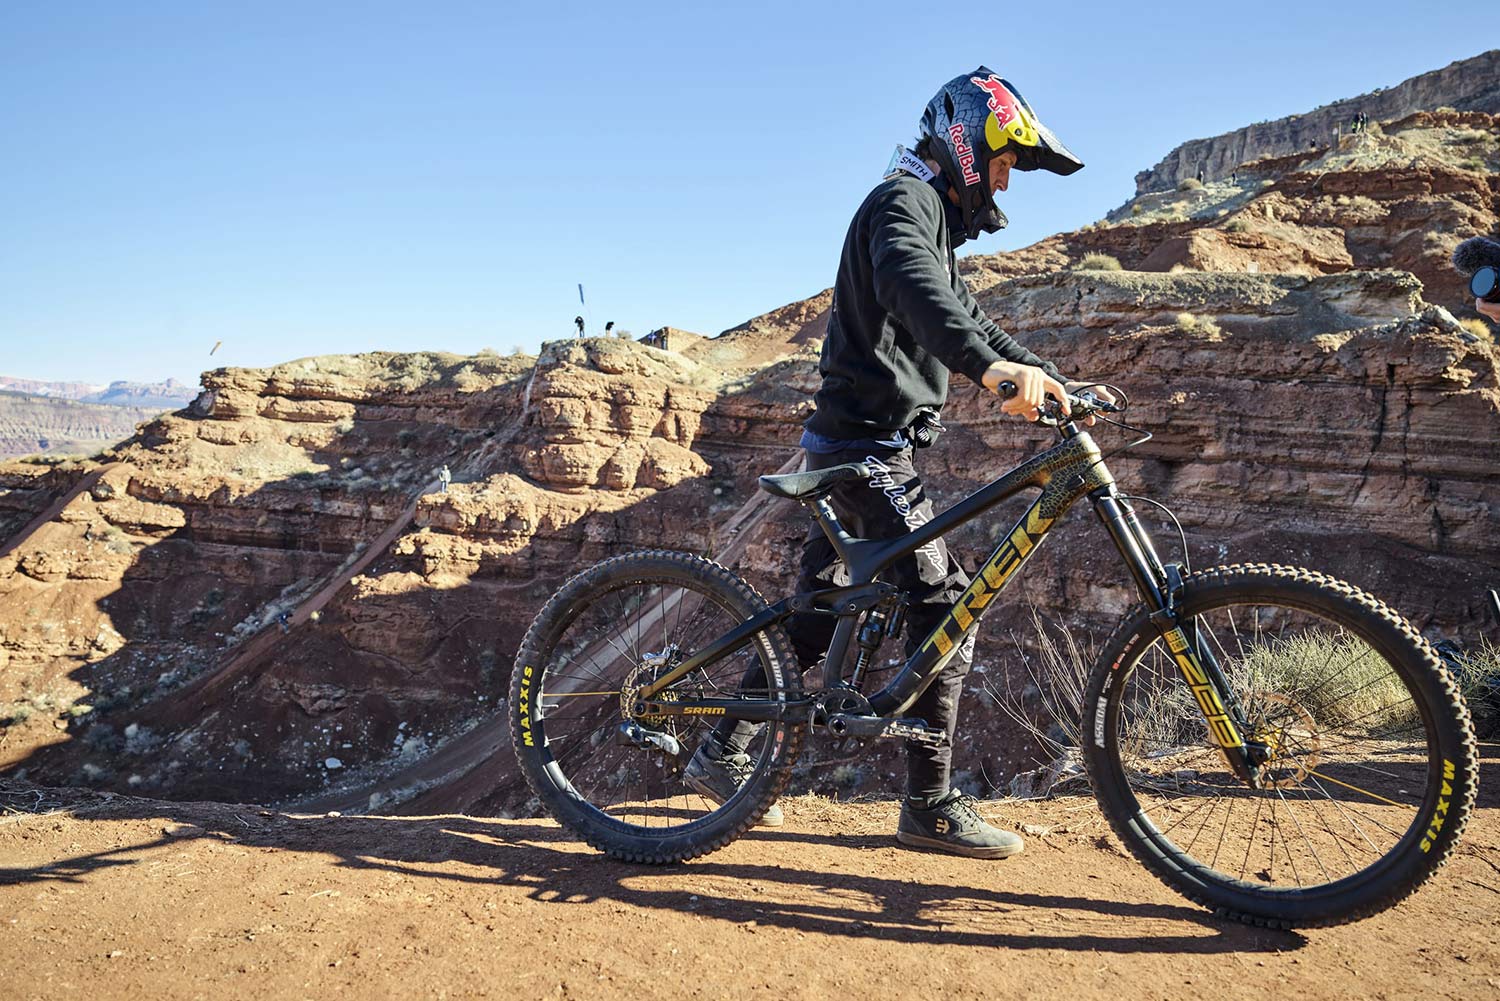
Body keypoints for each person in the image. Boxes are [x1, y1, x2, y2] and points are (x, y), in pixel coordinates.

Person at [685, 67, 1112, 859]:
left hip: (858, 447)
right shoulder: (900, 206)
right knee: (949, 602)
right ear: (966, 140)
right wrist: (991, 372)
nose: (1007, 177)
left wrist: (1048, 378)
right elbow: (919, 292)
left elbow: (969, 317)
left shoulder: (926, 215)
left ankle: (723, 753)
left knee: (816, 615)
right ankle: (929, 801)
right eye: (1005, 159)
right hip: (861, 454)